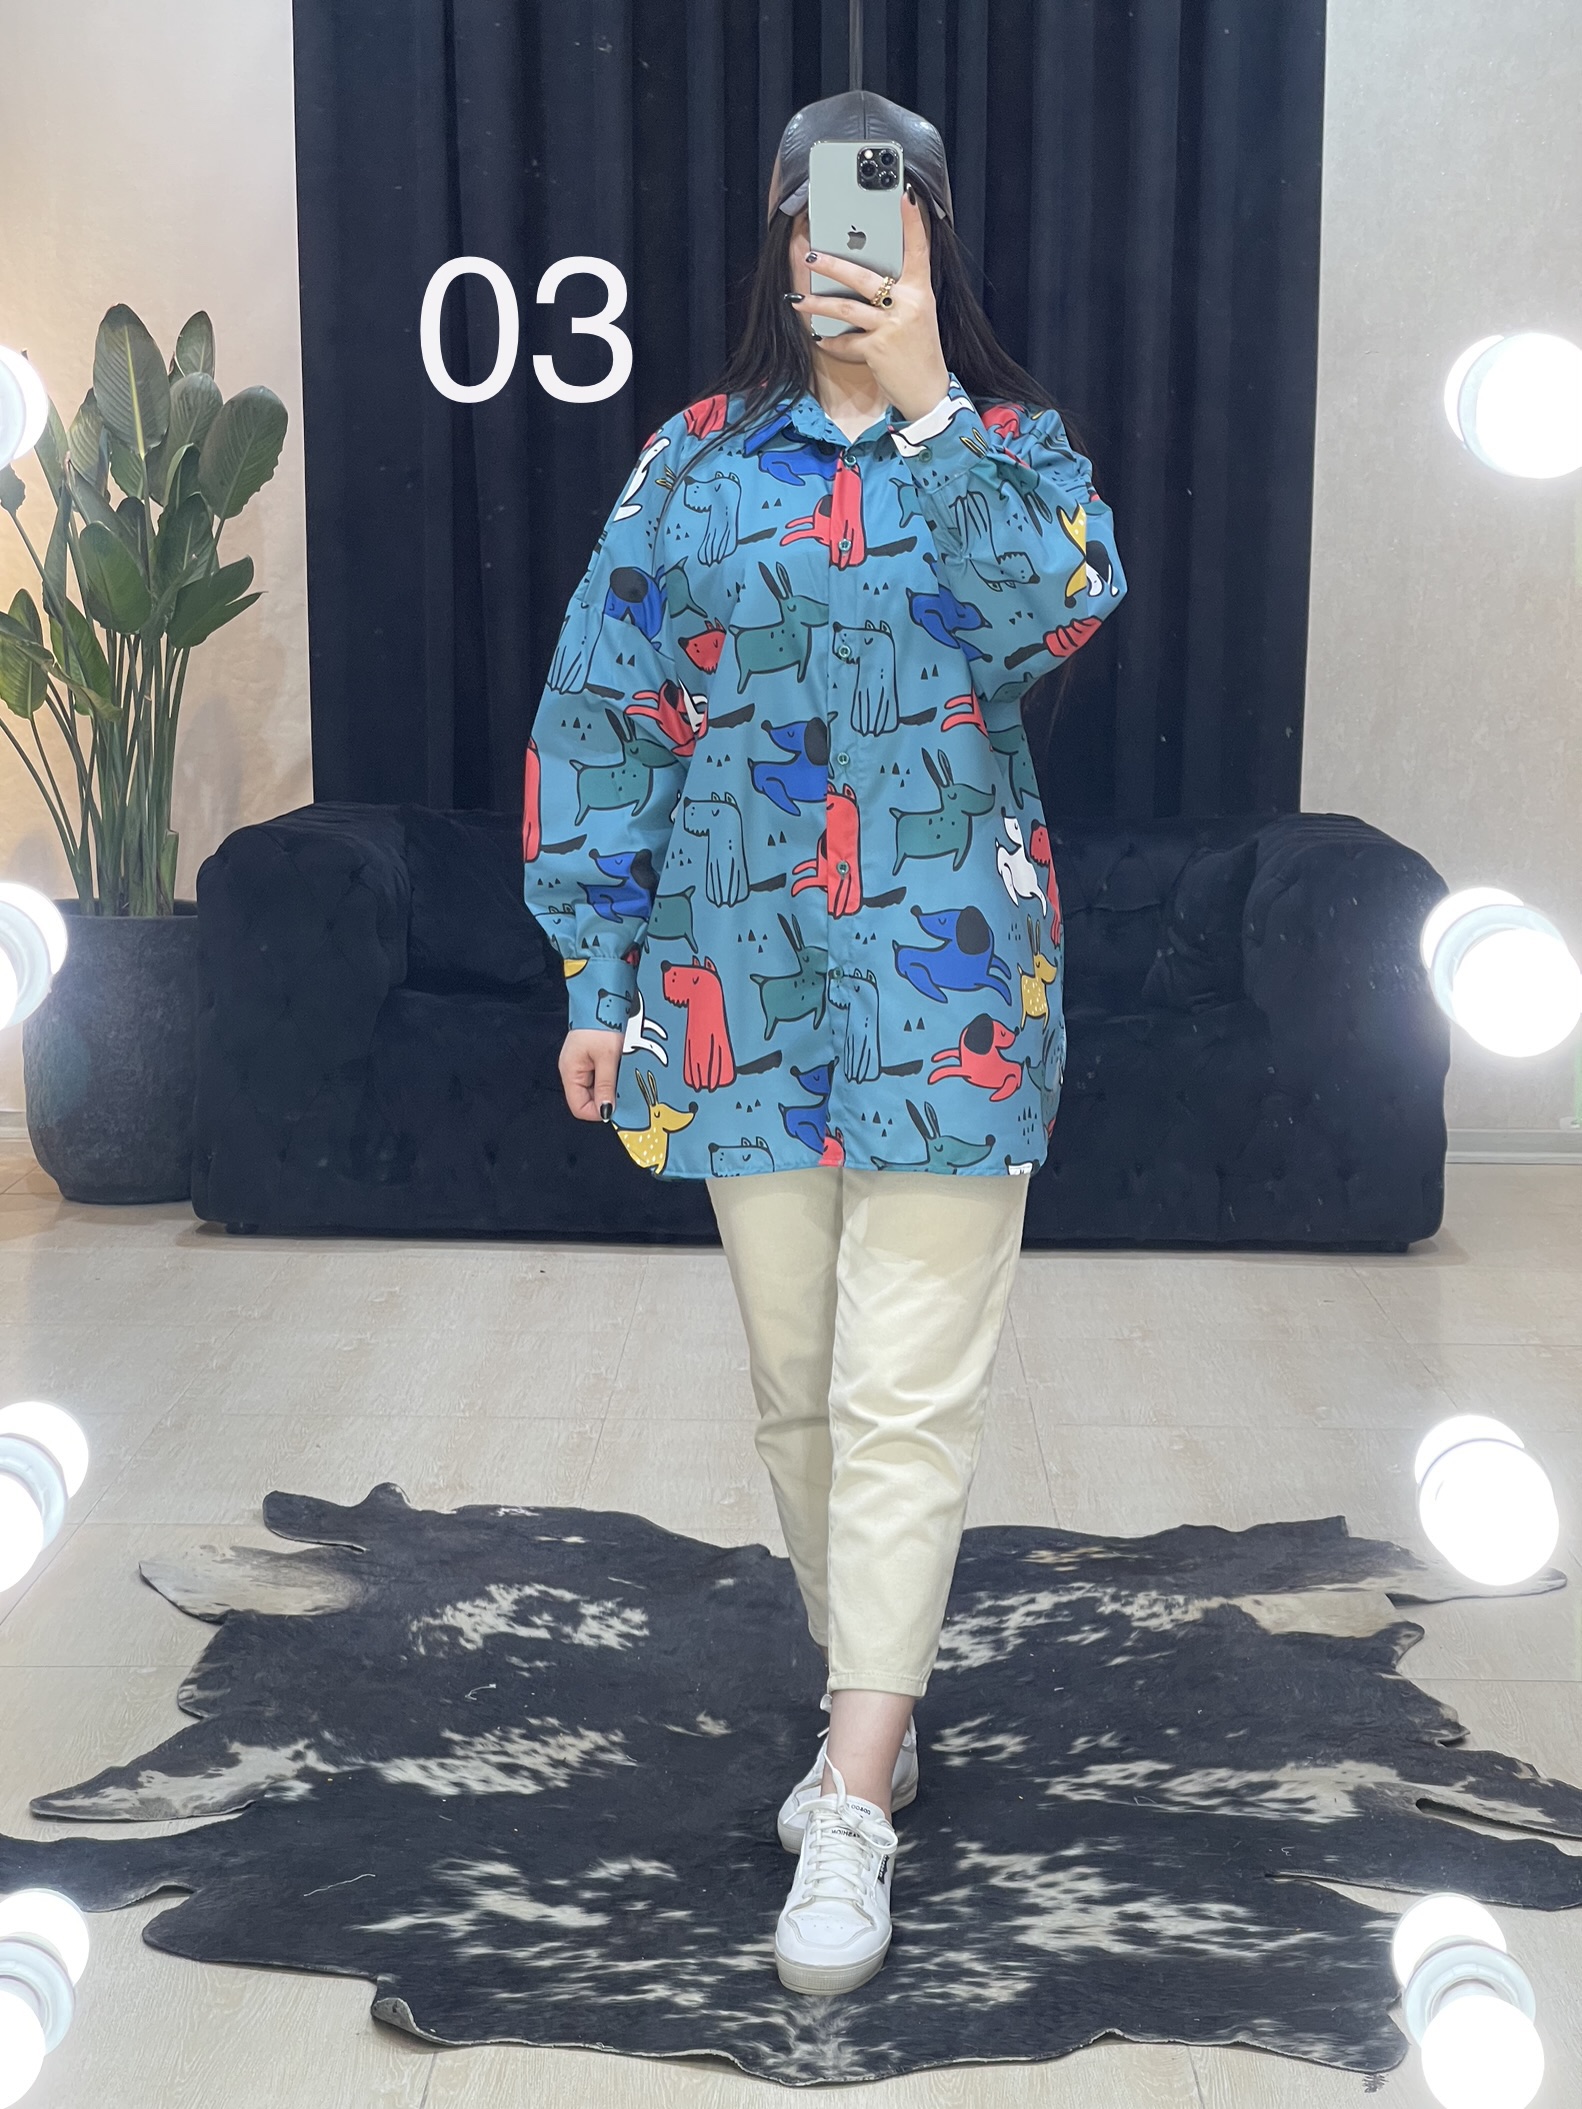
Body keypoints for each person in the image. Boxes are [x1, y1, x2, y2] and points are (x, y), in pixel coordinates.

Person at [524, 88, 1126, 1995]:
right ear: (779, 240)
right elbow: (605, 709)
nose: (839, 243)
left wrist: (930, 396)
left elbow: (1051, 617)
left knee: (903, 1396)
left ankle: (853, 1789)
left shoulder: (1012, 455)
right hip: (736, 979)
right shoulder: (693, 461)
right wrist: (595, 970)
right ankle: (876, 1695)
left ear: (930, 233)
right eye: (811, 213)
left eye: (878, 211)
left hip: (954, 990)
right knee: (798, 1393)